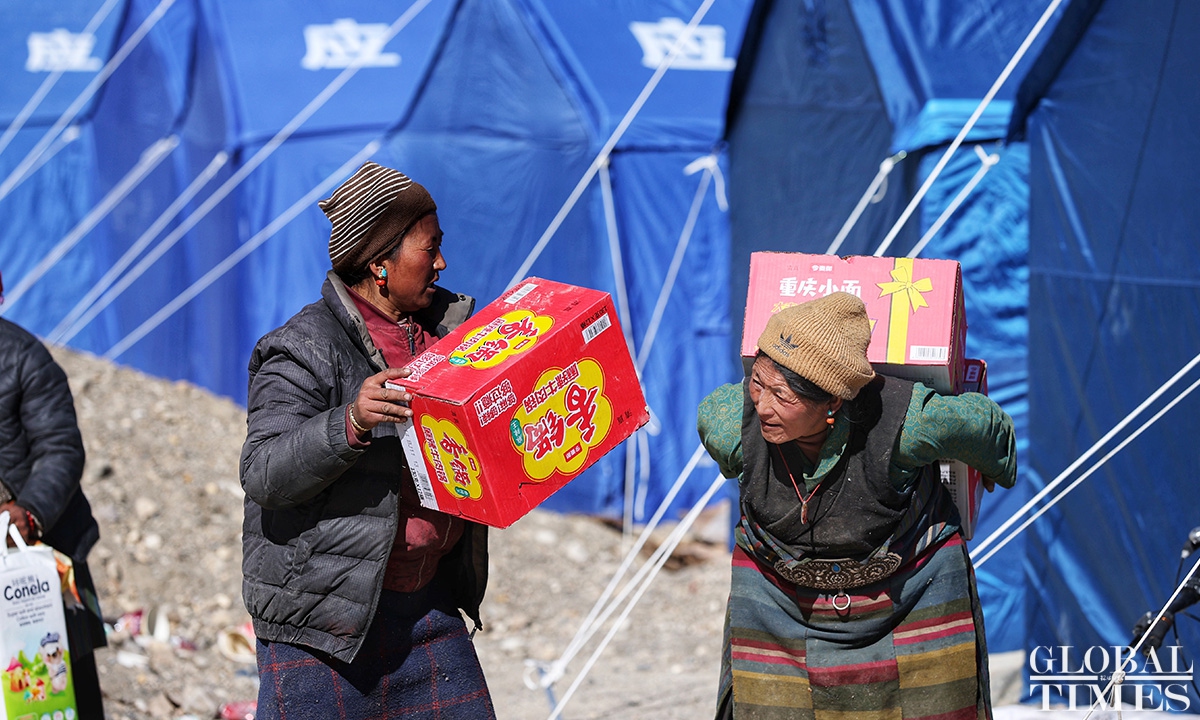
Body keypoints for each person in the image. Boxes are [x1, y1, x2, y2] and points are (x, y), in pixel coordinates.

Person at [240, 161, 495, 719]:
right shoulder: (301, 350)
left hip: (429, 607)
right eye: (430, 249)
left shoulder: (457, 339)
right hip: (323, 628)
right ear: (380, 263)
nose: (443, 263)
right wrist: (349, 423)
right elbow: (263, 472)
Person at [697, 291, 1016, 720]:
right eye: (758, 382)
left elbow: (984, 426)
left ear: (832, 402)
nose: (763, 406)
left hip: (907, 595)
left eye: (783, 396)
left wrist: (990, 467)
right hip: (780, 603)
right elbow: (710, 417)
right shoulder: (732, 426)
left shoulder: (909, 424)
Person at [0, 272, 108, 718]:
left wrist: (28, 511)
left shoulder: (25, 357)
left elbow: (60, 448)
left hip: (43, 554)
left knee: (61, 691)